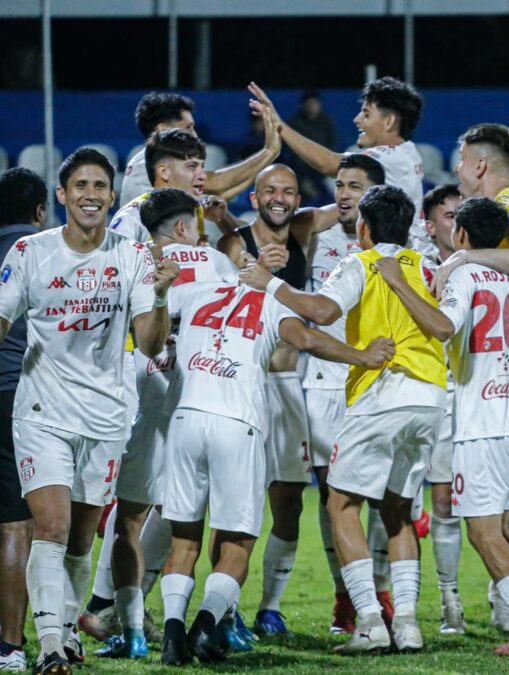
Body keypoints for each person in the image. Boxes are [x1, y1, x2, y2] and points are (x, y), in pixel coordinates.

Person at [240, 184, 445, 654]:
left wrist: (267, 282)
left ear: (365, 228)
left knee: (340, 505)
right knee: (398, 512)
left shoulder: (362, 262)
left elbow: (323, 310)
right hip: (430, 397)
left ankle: (370, 621)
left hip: (383, 395)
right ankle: (409, 625)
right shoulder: (424, 266)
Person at [0, 148, 180, 673]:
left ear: (111, 195)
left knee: (80, 538)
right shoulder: (31, 252)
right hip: (41, 410)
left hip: (104, 416)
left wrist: (162, 297)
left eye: (100, 186)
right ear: (61, 196)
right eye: (80, 185)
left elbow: (149, 345)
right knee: (51, 528)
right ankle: (51, 642)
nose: (90, 195)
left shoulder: (134, 256)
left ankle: (69, 630)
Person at [157, 268, 393, 666]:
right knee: (236, 544)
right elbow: (305, 339)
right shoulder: (271, 299)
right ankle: (205, 624)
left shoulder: (195, 291)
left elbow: (153, 322)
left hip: (185, 419)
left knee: (184, 542)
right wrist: (362, 356)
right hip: (237, 423)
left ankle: (172, 633)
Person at [80, 127, 245, 645]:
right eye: (191, 164)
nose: (202, 173)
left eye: (202, 163)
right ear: (161, 172)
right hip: (166, 381)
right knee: (159, 507)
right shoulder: (146, 225)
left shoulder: (156, 233)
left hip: (156, 378)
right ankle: (108, 605)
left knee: (147, 505)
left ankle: (117, 609)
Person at [382, 196, 509, 655]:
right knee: (502, 526)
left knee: (481, 530)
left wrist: (398, 284)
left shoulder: (465, 273)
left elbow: (443, 326)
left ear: (462, 235)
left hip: (481, 422)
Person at [440, 124, 509, 593]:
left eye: (461, 160)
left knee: (508, 508)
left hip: (502, 379)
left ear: (480, 164)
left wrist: (459, 260)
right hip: (495, 375)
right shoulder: (491, 213)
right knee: (504, 511)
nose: (457, 170)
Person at [217, 164, 314, 636]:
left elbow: (355, 192)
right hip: (245, 387)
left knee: (289, 503)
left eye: (289, 191)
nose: (280, 197)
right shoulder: (232, 242)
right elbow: (234, 280)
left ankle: (270, 607)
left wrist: (282, 141)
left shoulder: (305, 229)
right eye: (270, 190)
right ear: (253, 198)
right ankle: (225, 607)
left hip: (288, 390)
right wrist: (257, 269)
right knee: (237, 503)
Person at [300, 154, 386, 636]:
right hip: (323, 385)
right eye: (340, 184)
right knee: (334, 497)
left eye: (356, 185)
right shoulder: (315, 237)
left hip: (377, 381)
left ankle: (382, 592)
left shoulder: (399, 244)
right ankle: (346, 599)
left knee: (383, 499)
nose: (345, 193)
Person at [247, 77, 431, 257]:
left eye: (366, 114)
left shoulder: (389, 158)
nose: (357, 119)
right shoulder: (408, 151)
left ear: (389, 121)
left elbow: (328, 163)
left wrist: (278, 124)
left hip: (400, 261)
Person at [0, 168, 46, 672]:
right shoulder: (43, 253)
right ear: (40, 211)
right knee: (18, 523)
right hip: (18, 393)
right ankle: (11, 644)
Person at [418, 184, 469, 635]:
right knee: (391, 506)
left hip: (459, 395)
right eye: (449, 215)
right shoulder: (415, 266)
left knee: (448, 506)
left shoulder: (482, 265)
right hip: (413, 389)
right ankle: (389, 603)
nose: (457, 223)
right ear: (429, 225)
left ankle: (453, 601)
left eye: (461, 214)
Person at [121, 91, 282, 206]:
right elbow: (217, 183)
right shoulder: (149, 161)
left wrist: (267, 159)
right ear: (162, 130)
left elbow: (220, 194)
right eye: (188, 127)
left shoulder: (152, 161)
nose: (195, 135)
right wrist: (268, 151)